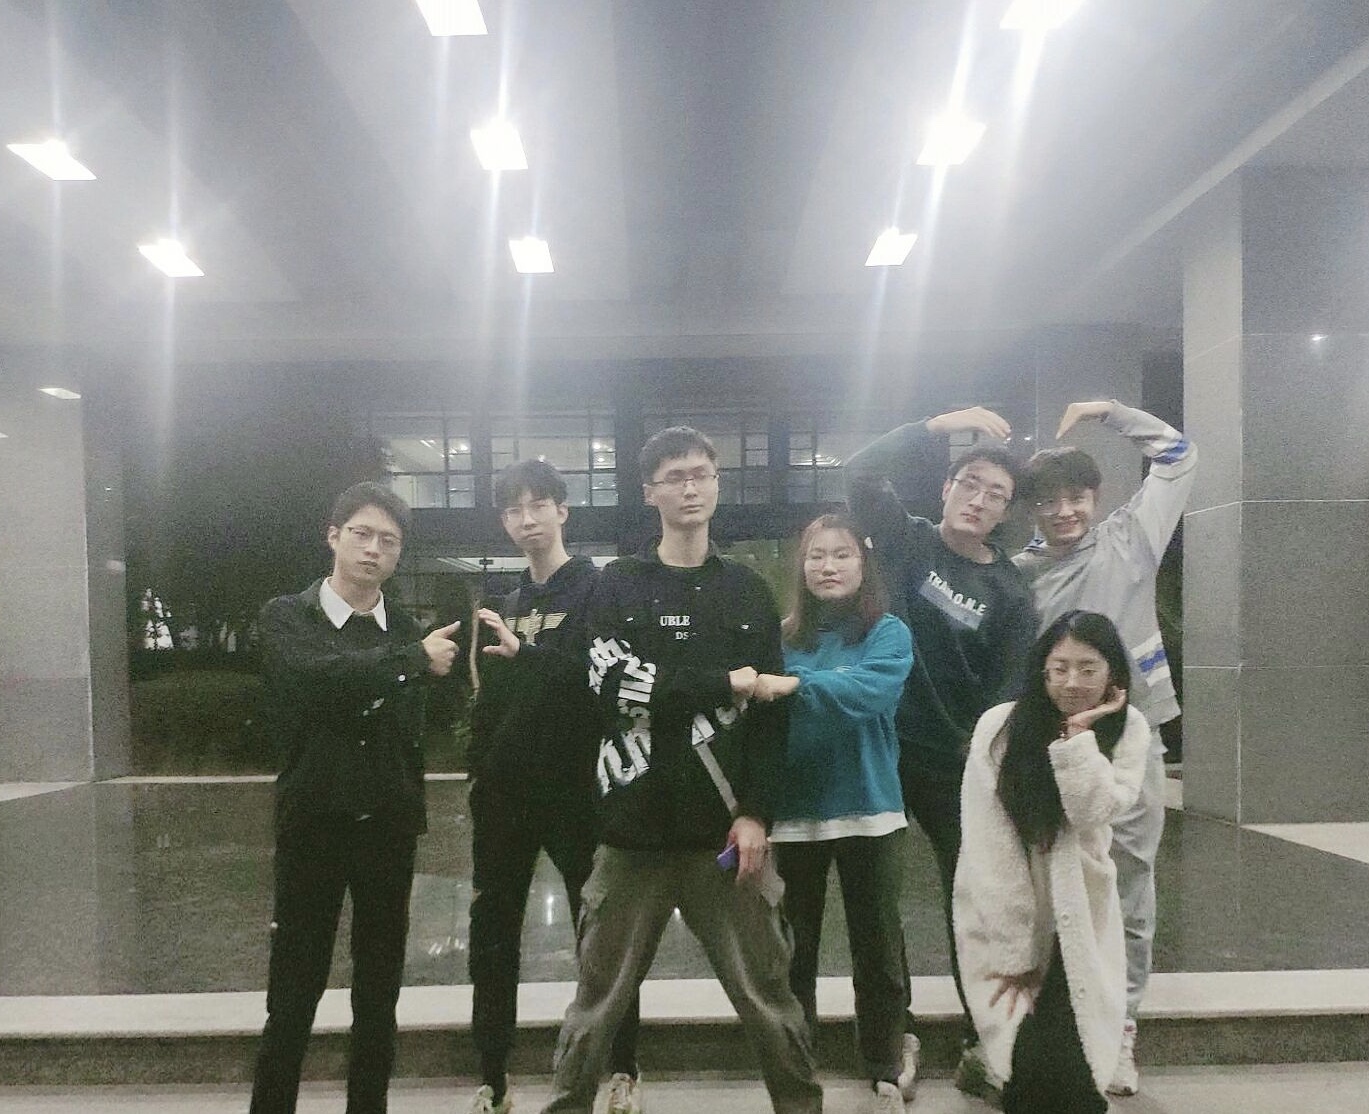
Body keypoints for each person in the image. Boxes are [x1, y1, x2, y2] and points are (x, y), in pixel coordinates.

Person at [541, 427, 823, 1114]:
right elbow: (613, 684)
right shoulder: (616, 585)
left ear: (717, 484)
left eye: (701, 473)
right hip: (630, 836)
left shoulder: (747, 592)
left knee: (770, 998)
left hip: (724, 840)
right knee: (595, 1004)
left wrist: (756, 813)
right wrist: (727, 682)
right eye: (674, 476)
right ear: (650, 492)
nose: (690, 487)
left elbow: (771, 714)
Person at [249, 482, 461, 1114]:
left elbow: (416, 722)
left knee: (378, 995)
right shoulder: (288, 618)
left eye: (388, 541)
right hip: (313, 824)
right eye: (361, 534)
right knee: (293, 992)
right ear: (333, 536)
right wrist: (408, 663)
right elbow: (311, 682)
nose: (373, 550)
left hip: (388, 829)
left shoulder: (409, 630)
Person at [845, 408, 1038, 1094]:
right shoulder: (907, 540)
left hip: (955, 765)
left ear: (1006, 512)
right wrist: (936, 424)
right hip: (879, 748)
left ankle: (983, 1039)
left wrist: (976, 763)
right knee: (876, 899)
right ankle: (890, 1035)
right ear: (946, 487)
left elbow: (1008, 694)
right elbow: (859, 474)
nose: (979, 500)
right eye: (970, 484)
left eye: (996, 494)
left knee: (974, 901)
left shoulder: (1011, 593)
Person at [1013, 399, 1197, 1097]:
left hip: (1130, 736)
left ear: (1094, 497)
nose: (1063, 511)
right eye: (1047, 501)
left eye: (1075, 497)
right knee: (1045, 885)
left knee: (1128, 882)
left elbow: (1179, 456)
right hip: (1048, 744)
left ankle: (1121, 1031)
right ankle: (1050, 1025)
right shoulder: (1018, 575)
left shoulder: (1131, 539)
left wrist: (1111, 413)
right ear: (1030, 508)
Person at [464, 460, 641, 1114]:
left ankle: (622, 1068)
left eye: (538, 504)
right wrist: (478, 773)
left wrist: (529, 656)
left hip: (578, 793)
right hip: (506, 797)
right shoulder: (505, 604)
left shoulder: (599, 590)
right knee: (492, 937)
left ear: (563, 511)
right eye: (513, 509)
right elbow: (487, 704)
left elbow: (602, 685)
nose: (526, 519)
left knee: (601, 937)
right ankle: (493, 1077)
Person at [954, 611, 1151, 1114]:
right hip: (1008, 906)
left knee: (1076, 1068)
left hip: (1082, 905)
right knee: (1025, 1063)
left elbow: (1093, 811)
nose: (1072, 682)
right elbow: (988, 842)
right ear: (1041, 670)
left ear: (1112, 674)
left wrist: (1076, 738)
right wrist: (1014, 948)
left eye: (1088, 669)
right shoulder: (1000, 726)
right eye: (1059, 668)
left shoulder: (1128, 729)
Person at [753, 513, 914, 1113]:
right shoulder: (780, 636)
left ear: (863, 563)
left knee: (879, 949)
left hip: (871, 810)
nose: (828, 566)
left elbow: (873, 690)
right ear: (801, 567)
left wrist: (796, 686)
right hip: (795, 813)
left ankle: (885, 1064)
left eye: (841, 554)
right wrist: (816, 682)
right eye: (816, 555)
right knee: (792, 953)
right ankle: (798, 1067)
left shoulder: (888, 632)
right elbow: (769, 704)